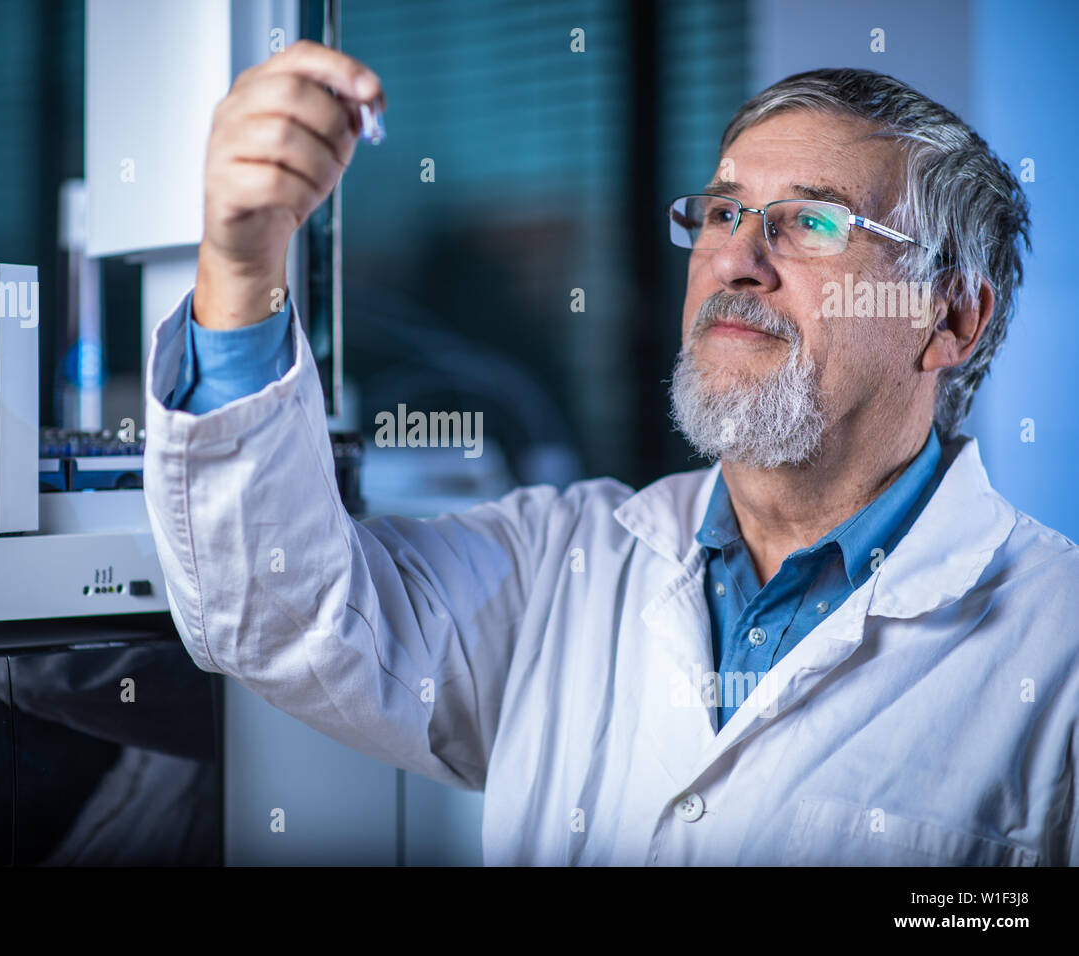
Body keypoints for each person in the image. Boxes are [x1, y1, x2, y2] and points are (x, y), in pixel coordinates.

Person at [141, 41, 1079, 865]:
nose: (736, 259)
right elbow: (275, 609)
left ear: (950, 315)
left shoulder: (1057, 650)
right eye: (722, 212)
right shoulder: (563, 564)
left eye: (812, 221)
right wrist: (243, 263)